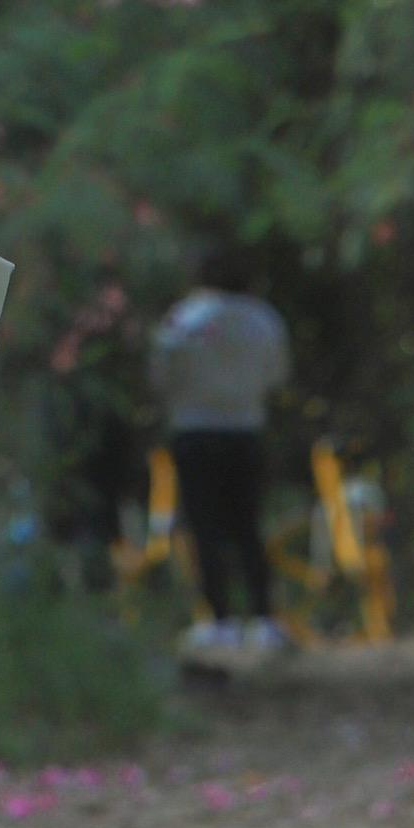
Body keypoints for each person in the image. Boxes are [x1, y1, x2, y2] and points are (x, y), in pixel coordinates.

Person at [150, 252, 291, 654]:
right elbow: (277, 375)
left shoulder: (183, 318)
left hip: (194, 431)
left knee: (204, 526)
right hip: (245, 429)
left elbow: (160, 374)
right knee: (247, 525)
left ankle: (219, 619)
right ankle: (264, 618)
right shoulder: (264, 320)